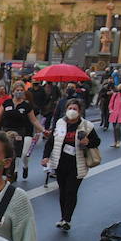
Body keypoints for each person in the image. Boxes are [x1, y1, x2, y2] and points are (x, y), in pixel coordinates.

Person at [41, 98, 100, 231]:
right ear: (66, 110)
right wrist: (45, 157)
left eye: (75, 109)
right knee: (62, 192)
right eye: (70, 108)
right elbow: (50, 142)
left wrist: (87, 142)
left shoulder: (87, 126)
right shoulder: (59, 123)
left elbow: (96, 141)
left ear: (80, 112)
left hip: (77, 164)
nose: (72, 111)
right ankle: (62, 217)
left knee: (71, 191)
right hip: (60, 163)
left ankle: (67, 219)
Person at [0, 84, 45, 179]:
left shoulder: (26, 106)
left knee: (14, 154)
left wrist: (43, 130)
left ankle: (10, 174)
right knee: (3, 152)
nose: (19, 92)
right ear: (13, 91)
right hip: (6, 131)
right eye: (17, 90)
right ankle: (1, 172)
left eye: (21, 90)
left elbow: (34, 120)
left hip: (19, 132)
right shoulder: (6, 103)